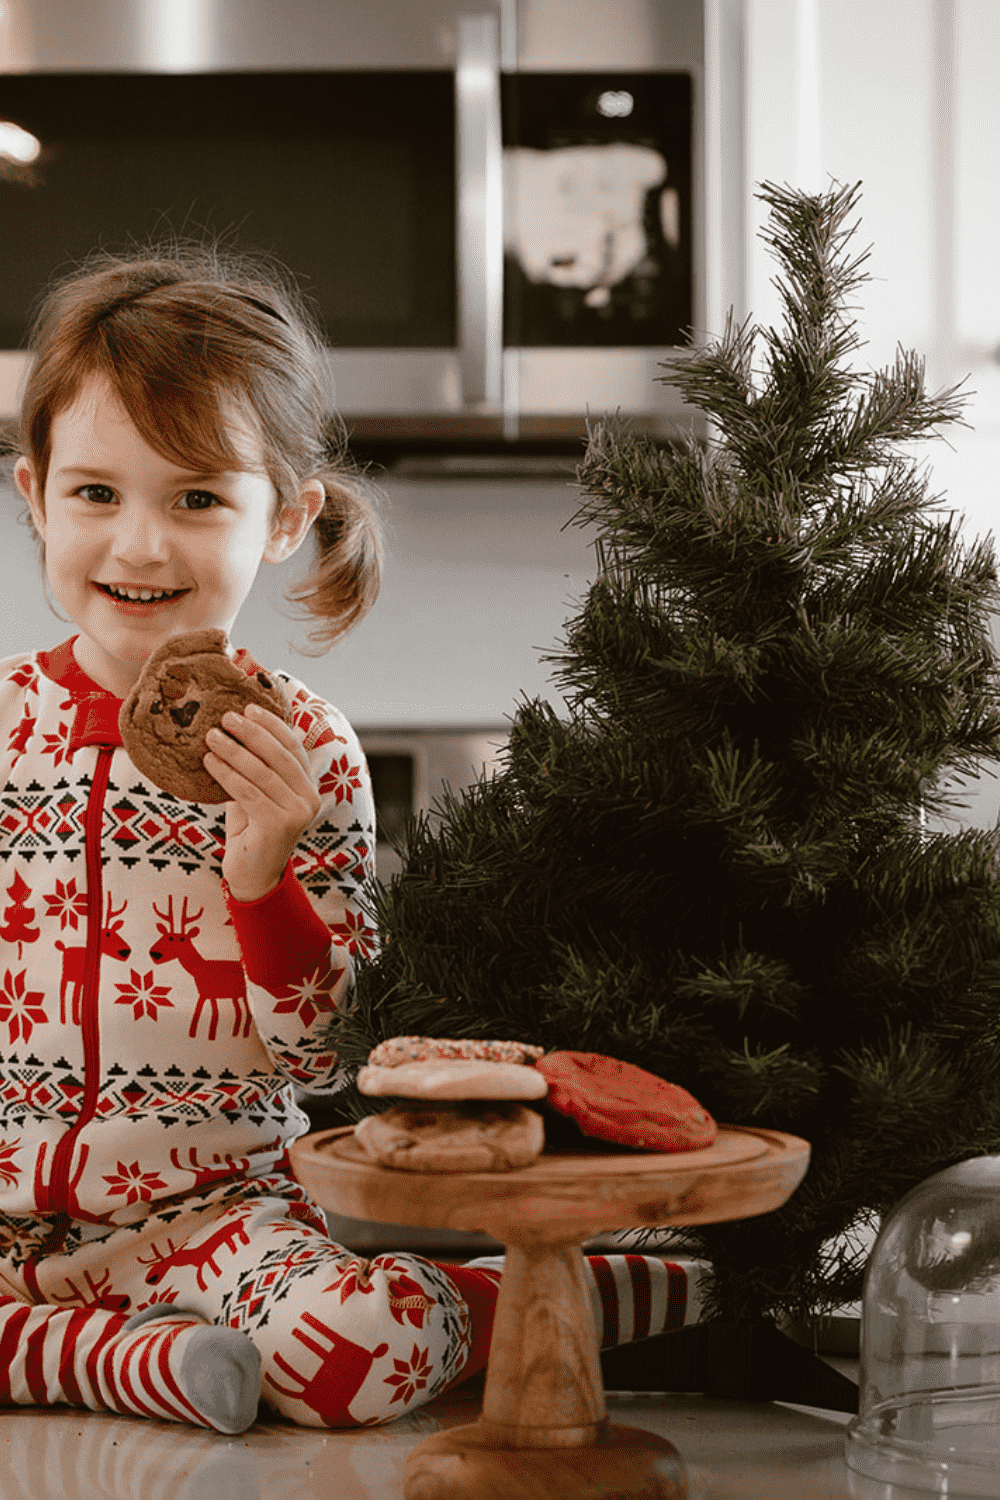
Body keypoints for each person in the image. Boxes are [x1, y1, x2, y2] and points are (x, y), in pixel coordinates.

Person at [0, 247, 689, 1434]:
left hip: (215, 1223)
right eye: (97, 494)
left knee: (355, 1350)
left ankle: (556, 1291)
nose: (142, 546)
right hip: (10, 1223)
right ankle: (132, 1367)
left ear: (287, 518)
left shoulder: (305, 748)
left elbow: (324, 1056)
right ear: (33, 495)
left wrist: (263, 870)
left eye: (199, 497)